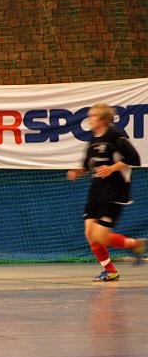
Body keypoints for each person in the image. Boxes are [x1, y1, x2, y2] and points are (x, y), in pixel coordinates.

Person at [68, 103, 145, 281]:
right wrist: (78, 172)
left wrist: (112, 168)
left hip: (115, 192)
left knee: (100, 237)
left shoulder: (116, 137)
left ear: (103, 119)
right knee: (90, 234)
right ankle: (110, 271)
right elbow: (88, 165)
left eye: (92, 116)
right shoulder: (93, 140)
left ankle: (135, 244)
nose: (89, 119)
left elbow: (134, 159)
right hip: (96, 191)